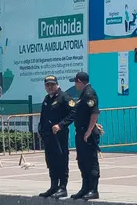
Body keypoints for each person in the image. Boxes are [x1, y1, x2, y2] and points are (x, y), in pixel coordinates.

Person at [38, 75, 76, 199]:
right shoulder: (47, 99)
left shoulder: (64, 97)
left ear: (57, 84)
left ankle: (62, 187)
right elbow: (43, 116)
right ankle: (53, 186)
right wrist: (41, 130)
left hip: (59, 136)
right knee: (51, 161)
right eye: (47, 85)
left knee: (61, 160)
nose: (50, 87)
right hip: (48, 137)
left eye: (52, 85)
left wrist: (61, 125)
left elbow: (73, 112)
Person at [70, 72, 101, 200]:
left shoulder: (89, 94)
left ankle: (93, 190)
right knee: (82, 162)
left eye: (75, 82)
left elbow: (94, 113)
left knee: (91, 162)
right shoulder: (84, 94)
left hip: (86, 134)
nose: (75, 84)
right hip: (81, 133)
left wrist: (89, 130)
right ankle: (85, 188)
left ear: (79, 81)